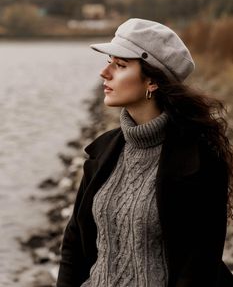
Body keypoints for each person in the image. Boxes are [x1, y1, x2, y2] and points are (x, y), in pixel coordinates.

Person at [57, 18, 233, 287]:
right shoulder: (103, 150)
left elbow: (199, 266)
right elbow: (74, 245)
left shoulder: (201, 159)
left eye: (120, 65)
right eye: (109, 62)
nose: (105, 73)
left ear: (152, 81)